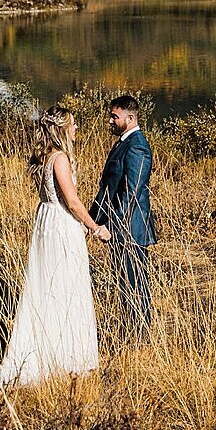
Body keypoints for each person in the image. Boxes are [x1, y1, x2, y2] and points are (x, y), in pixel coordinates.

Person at [0, 107, 109, 389]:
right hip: (61, 225)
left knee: (48, 287)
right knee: (67, 288)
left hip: (46, 221)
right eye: (74, 125)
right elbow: (73, 202)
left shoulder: (42, 157)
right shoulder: (60, 159)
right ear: (62, 128)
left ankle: (56, 351)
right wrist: (95, 227)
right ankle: (68, 357)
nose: (77, 130)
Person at [90, 93, 156, 339]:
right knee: (124, 283)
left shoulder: (137, 146)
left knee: (135, 283)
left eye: (114, 117)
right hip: (119, 228)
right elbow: (108, 188)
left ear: (129, 118)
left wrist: (112, 226)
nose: (110, 121)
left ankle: (140, 338)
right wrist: (91, 219)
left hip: (130, 229)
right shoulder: (123, 143)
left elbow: (131, 192)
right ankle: (131, 332)